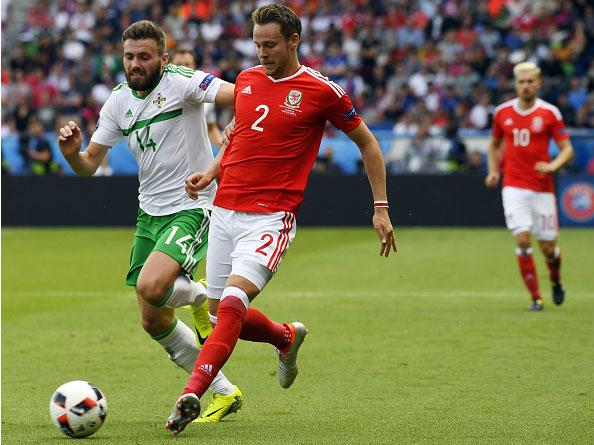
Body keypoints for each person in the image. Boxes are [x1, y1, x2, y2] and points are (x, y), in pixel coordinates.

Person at [166, 4, 397, 435]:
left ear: (294, 41)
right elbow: (238, 132)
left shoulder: (321, 90)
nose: (261, 53)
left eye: (269, 45)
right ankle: (285, 337)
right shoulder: (248, 81)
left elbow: (367, 143)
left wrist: (380, 207)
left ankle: (193, 391)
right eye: (256, 44)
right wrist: (212, 171)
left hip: (271, 218)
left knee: (233, 304)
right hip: (225, 211)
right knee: (218, 314)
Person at [56, 20, 244, 424]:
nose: (136, 64)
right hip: (149, 214)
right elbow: (88, 165)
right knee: (152, 318)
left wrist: (240, 119)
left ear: (162, 57)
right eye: (129, 57)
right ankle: (225, 391)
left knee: (151, 286)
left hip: (192, 205)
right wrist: (72, 153)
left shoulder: (182, 82)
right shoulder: (118, 101)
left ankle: (197, 295)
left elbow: (238, 93)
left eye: (144, 56)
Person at [485, 62, 574, 311]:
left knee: (548, 248)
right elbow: (494, 146)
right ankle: (536, 298)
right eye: (521, 82)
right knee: (523, 240)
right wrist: (493, 171)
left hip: (542, 189)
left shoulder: (549, 113)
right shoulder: (502, 112)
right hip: (513, 186)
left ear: (538, 83)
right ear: (515, 84)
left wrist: (553, 165)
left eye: (530, 81)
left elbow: (567, 149)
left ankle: (555, 280)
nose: (525, 86)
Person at [172, 48, 224, 149]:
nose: (182, 69)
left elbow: (211, 128)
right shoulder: (160, 94)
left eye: (187, 64)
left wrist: (223, 148)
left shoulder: (206, 97)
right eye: (178, 65)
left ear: (194, 68)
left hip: (195, 158)